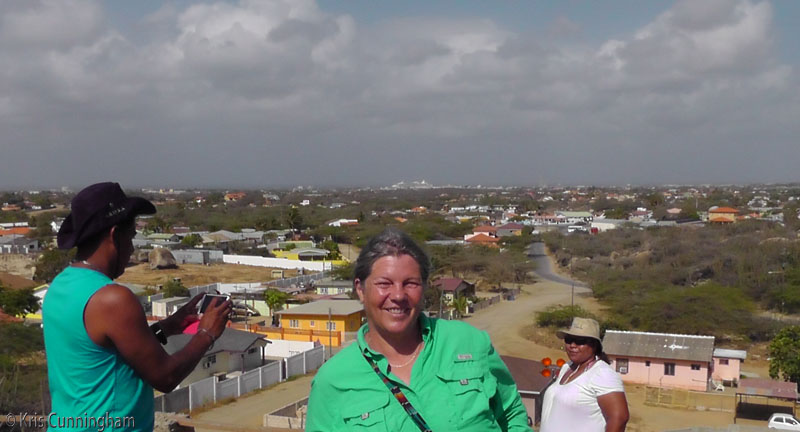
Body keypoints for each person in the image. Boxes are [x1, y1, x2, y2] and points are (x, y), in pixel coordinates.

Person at [43, 182, 232, 432]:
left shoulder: (60, 286)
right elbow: (165, 377)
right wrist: (207, 333)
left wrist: (167, 327)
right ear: (114, 235)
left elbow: (106, 353)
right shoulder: (113, 299)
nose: (132, 248)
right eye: (131, 237)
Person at [306, 228, 531, 431]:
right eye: (384, 283)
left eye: (410, 283)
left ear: (424, 288)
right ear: (360, 289)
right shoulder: (332, 380)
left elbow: (512, 416)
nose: (398, 295)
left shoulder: (468, 342)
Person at [540, 317, 629, 432]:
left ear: (594, 345)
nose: (572, 345)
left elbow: (619, 418)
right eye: (569, 339)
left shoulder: (602, 373)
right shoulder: (567, 367)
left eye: (580, 341)